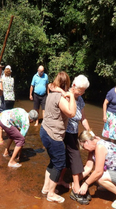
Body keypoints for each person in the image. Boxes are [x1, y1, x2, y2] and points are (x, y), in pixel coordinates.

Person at [40, 71, 76, 203]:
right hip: (53, 135)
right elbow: (71, 113)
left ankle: (46, 188)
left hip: (44, 130)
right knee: (60, 162)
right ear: (66, 84)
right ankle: (51, 194)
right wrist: (71, 96)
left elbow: (51, 85)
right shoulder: (60, 98)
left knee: (53, 161)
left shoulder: (51, 93)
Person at [77, 130, 116, 209]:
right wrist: (76, 181)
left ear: (87, 141)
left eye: (83, 146)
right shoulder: (94, 146)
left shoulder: (100, 147)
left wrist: (86, 184)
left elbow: (98, 172)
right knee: (97, 178)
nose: (83, 149)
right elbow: (88, 167)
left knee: (100, 178)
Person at [60, 75, 91, 205]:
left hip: (73, 132)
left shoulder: (81, 100)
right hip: (64, 132)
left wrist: (90, 132)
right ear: (73, 86)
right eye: (80, 90)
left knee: (67, 159)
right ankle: (76, 188)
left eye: (84, 91)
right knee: (76, 157)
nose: (82, 93)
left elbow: (82, 118)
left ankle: (59, 180)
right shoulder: (66, 96)